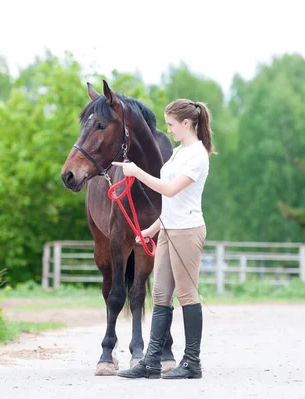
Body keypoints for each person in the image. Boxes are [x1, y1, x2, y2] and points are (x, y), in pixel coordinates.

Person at [112, 99, 215, 379]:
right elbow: (172, 204)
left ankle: (192, 363)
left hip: (187, 232)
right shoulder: (179, 153)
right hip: (169, 230)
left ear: (186, 123)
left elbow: (169, 190)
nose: (167, 129)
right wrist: (152, 230)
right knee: (160, 294)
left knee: (186, 295)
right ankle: (152, 361)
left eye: (171, 124)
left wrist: (137, 173)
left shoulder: (197, 155)